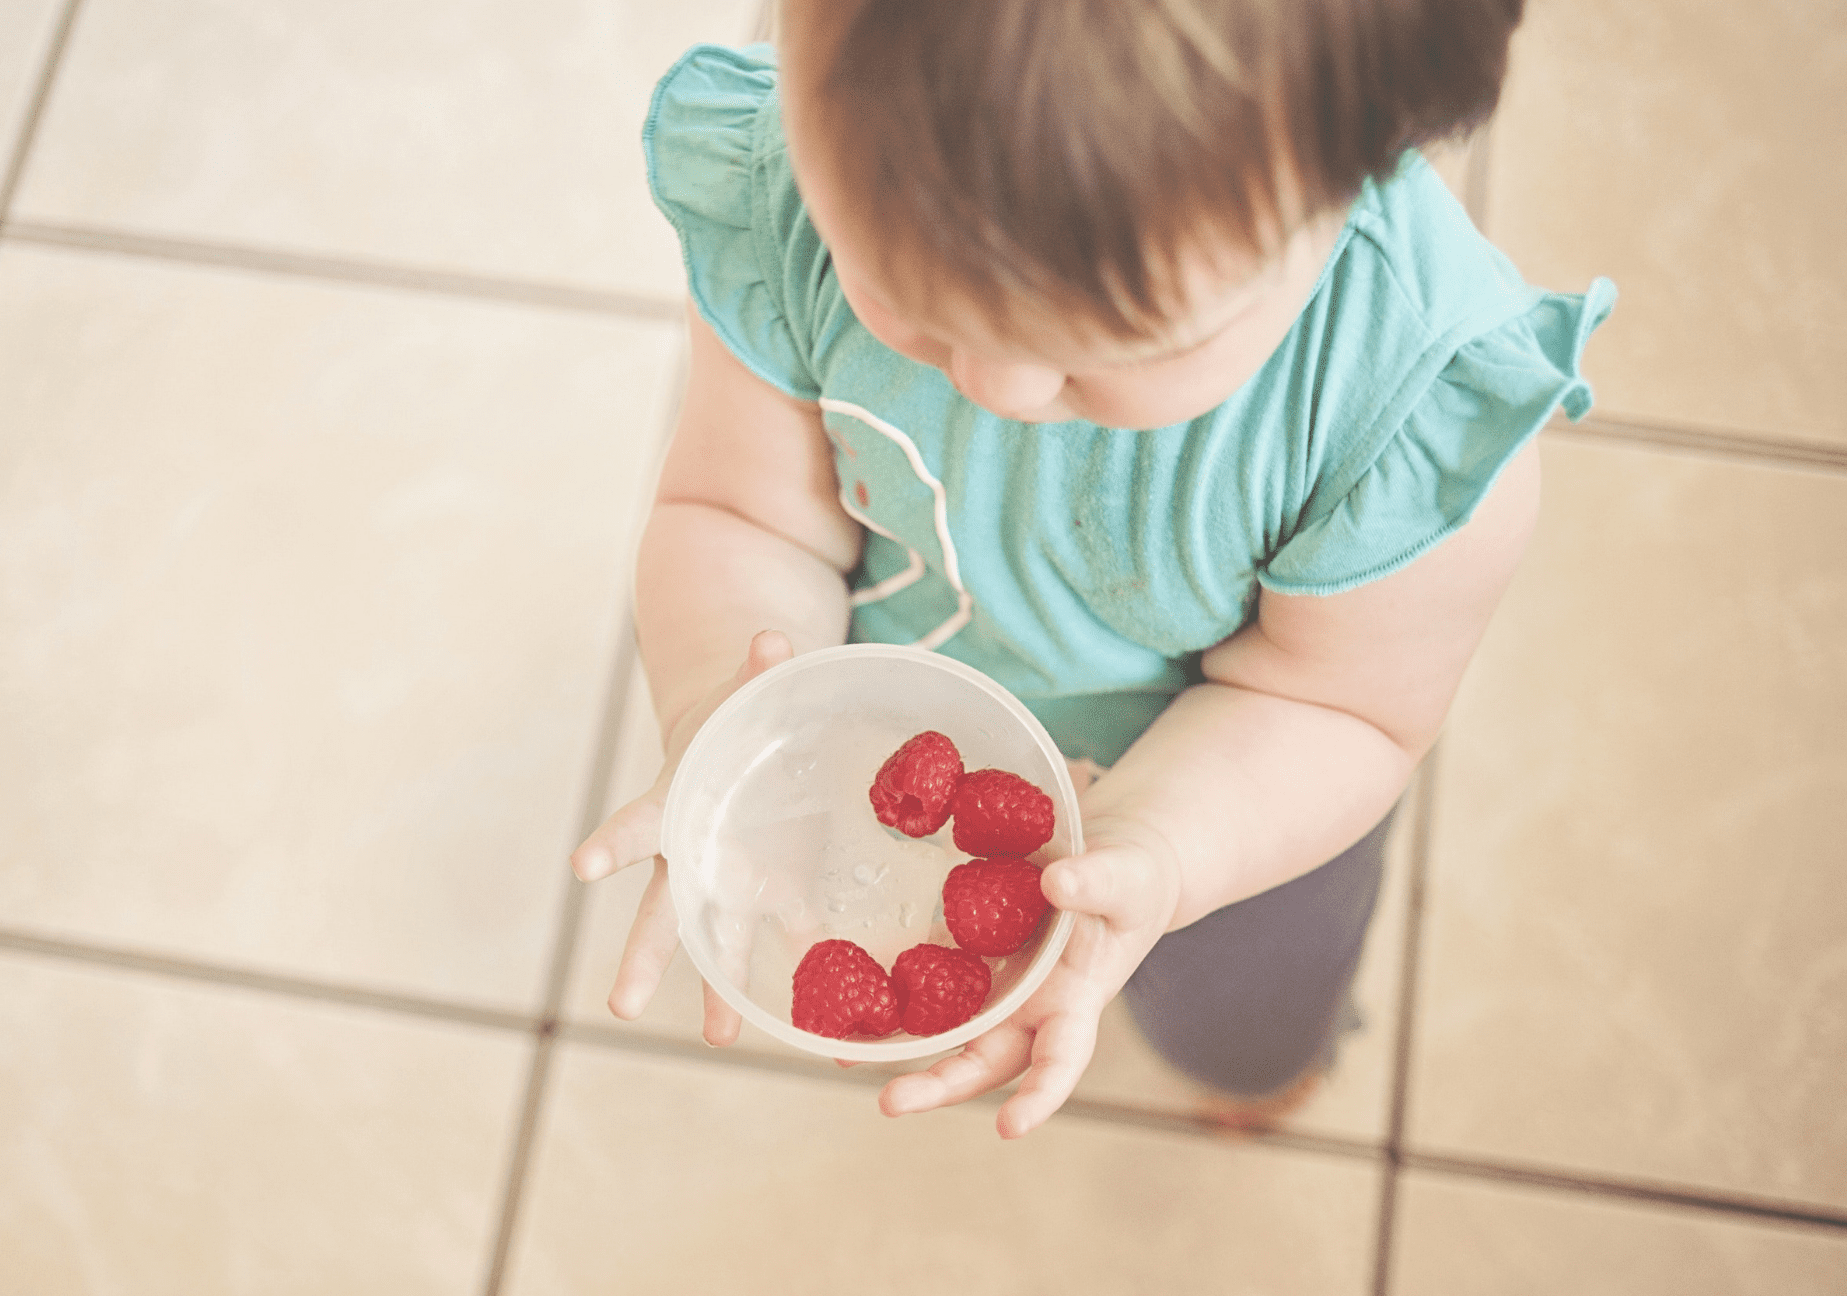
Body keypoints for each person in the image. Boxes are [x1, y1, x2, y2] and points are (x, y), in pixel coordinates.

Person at [569, 0, 1613, 1139]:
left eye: (1120, 348)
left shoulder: (1405, 407)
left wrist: (1163, 849)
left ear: (1367, 159)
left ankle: (1261, 1072)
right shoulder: (791, 191)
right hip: (903, 708)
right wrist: (726, 702)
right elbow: (745, 512)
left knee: (1242, 1017)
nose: (999, 387)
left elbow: (1338, 706)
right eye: (909, 299)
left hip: (1236, 805)